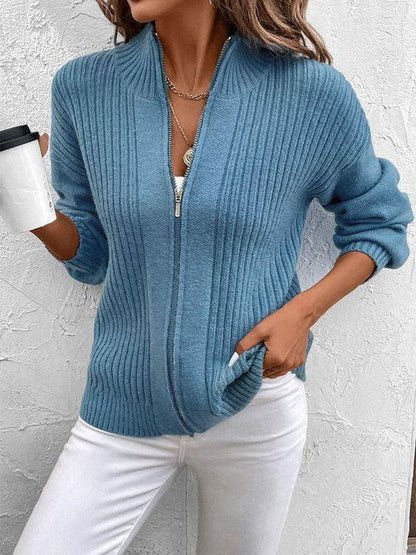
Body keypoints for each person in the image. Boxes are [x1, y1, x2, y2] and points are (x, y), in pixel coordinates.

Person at [12, 0, 413, 553]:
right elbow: (93, 256)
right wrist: (27, 204)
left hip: (254, 401)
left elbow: (379, 221)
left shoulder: (310, 94)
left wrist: (302, 314)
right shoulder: (84, 88)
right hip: (123, 402)